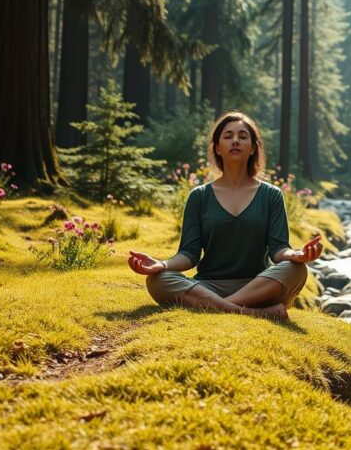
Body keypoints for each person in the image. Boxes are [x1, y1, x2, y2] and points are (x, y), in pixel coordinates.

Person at [128, 111, 324, 320]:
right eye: (228, 136)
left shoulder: (271, 195)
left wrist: (296, 255)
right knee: (158, 280)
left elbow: (278, 249)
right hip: (208, 285)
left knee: (296, 270)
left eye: (242, 136)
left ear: (253, 148)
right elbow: (189, 253)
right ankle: (252, 312)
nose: (235, 141)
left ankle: (217, 306)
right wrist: (162, 265)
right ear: (217, 148)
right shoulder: (200, 196)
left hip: (258, 285)